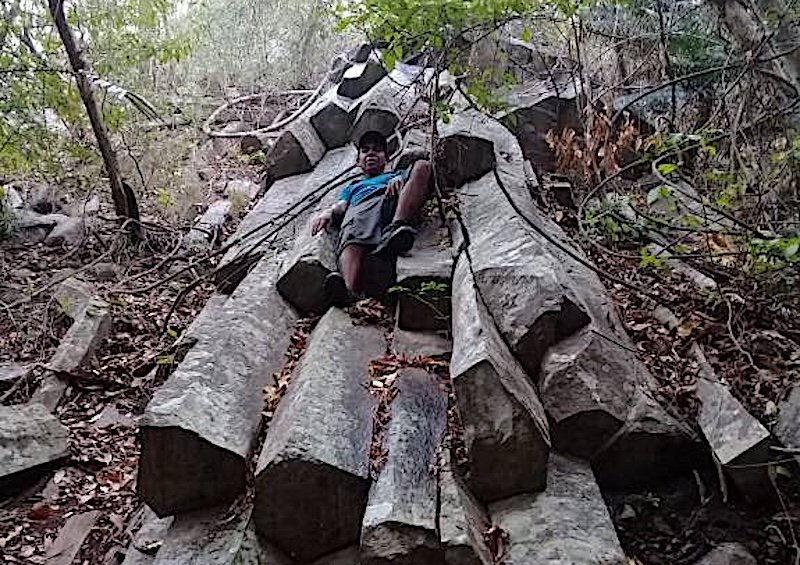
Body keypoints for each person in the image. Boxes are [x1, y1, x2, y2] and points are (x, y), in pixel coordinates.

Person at [312, 130, 432, 303]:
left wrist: (400, 180)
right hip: (361, 214)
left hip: (392, 204)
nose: (371, 154)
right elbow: (342, 206)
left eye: (377, 150)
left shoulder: (396, 175)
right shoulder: (353, 186)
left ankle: (396, 229)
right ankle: (348, 289)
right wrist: (328, 212)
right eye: (365, 150)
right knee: (353, 223)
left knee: (422, 165)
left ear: (387, 158)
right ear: (358, 161)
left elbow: (421, 172)